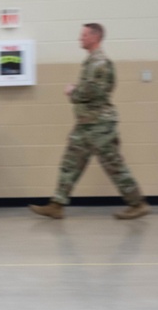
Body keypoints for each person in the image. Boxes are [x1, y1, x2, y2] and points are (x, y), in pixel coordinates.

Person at [29, 23, 150, 220]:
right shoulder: (91, 62)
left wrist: (72, 91)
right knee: (70, 163)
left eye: (84, 35)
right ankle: (57, 205)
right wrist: (79, 90)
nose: (80, 38)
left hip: (100, 127)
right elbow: (93, 89)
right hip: (86, 125)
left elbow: (94, 92)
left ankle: (138, 204)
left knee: (114, 165)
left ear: (95, 37)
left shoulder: (99, 62)